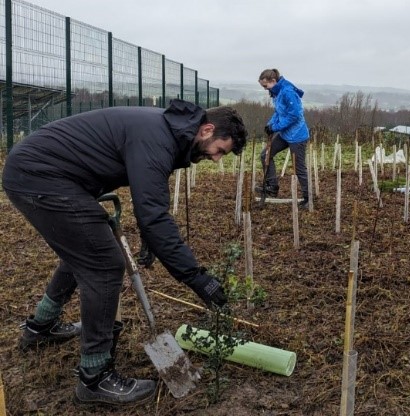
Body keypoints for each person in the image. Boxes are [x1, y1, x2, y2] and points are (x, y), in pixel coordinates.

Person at [1, 99, 247, 407]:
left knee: (85, 248)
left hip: (50, 174)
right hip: (40, 176)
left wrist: (149, 236)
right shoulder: (158, 137)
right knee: (104, 264)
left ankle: (42, 326)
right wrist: (196, 278)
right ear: (207, 130)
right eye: (220, 150)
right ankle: (95, 377)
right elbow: (154, 215)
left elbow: (150, 198)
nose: (216, 159)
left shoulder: (167, 132)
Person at [256, 68, 310, 208]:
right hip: (285, 134)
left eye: (265, 85)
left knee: (299, 168)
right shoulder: (276, 93)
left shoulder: (287, 92)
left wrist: (276, 127)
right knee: (266, 155)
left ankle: (308, 197)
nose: (264, 88)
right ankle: (272, 186)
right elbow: (278, 112)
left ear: (273, 81)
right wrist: (270, 125)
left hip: (297, 136)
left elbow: (295, 115)